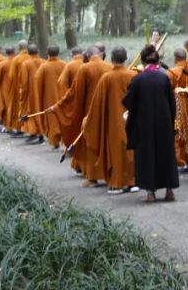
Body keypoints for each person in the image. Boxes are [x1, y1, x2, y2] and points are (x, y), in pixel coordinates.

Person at [125, 44, 179, 203]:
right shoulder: (164, 78)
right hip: (164, 123)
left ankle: (151, 193)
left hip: (144, 124)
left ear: (142, 61)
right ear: (157, 62)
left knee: (147, 156)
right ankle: (169, 191)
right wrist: (171, 121)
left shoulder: (138, 80)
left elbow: (130, 102)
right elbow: (172, 103)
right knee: (166, 155)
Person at [47, 44, 110, 175]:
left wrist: (59, 106)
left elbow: (73, 92)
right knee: (105, 138)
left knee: (89, 139)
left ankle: (91, 175)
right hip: (106, 109)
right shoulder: (109, 67)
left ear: (87, 56)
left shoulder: (84, 68)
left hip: (89, 109)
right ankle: (106, 170)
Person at [85, 46, 136, 194]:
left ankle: (117, 183)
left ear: (111, 59)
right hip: (132, 120)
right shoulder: (133, 75)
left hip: (114, 122)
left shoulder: (107, 78)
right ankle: (132, 182)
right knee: (132, 150)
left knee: (116, 151)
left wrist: (90, 120)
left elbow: (97, 103)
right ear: (126, 58)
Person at [32, 45, 66, 148]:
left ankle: (55, 140)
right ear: (59, 53)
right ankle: (64, 139)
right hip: (63, 97)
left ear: (47, 53)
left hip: (49, 97)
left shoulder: (44, 66)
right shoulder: (64, 65)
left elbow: (37, 81)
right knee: (63, 118)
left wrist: (40, 95)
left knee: (52, 119)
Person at [168, 48, 188, 171]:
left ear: (175, 58)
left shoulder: (171, 73)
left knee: (178, 134)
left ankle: (181, 161)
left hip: (177, 110)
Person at [2, 40, 30, 133]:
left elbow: (11, 76)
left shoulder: (16, 59)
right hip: (31, 88)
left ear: (19, 48)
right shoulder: (31, 57)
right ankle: (30, 128)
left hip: (18, 88)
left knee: (18, 108)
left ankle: (19, 128)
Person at [0, 46, 15, 127]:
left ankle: (8, 124)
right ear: (14, 52)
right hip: (16, 87)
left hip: (5, 88)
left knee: (6, 106)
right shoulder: (19, 62)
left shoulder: (1, 64)